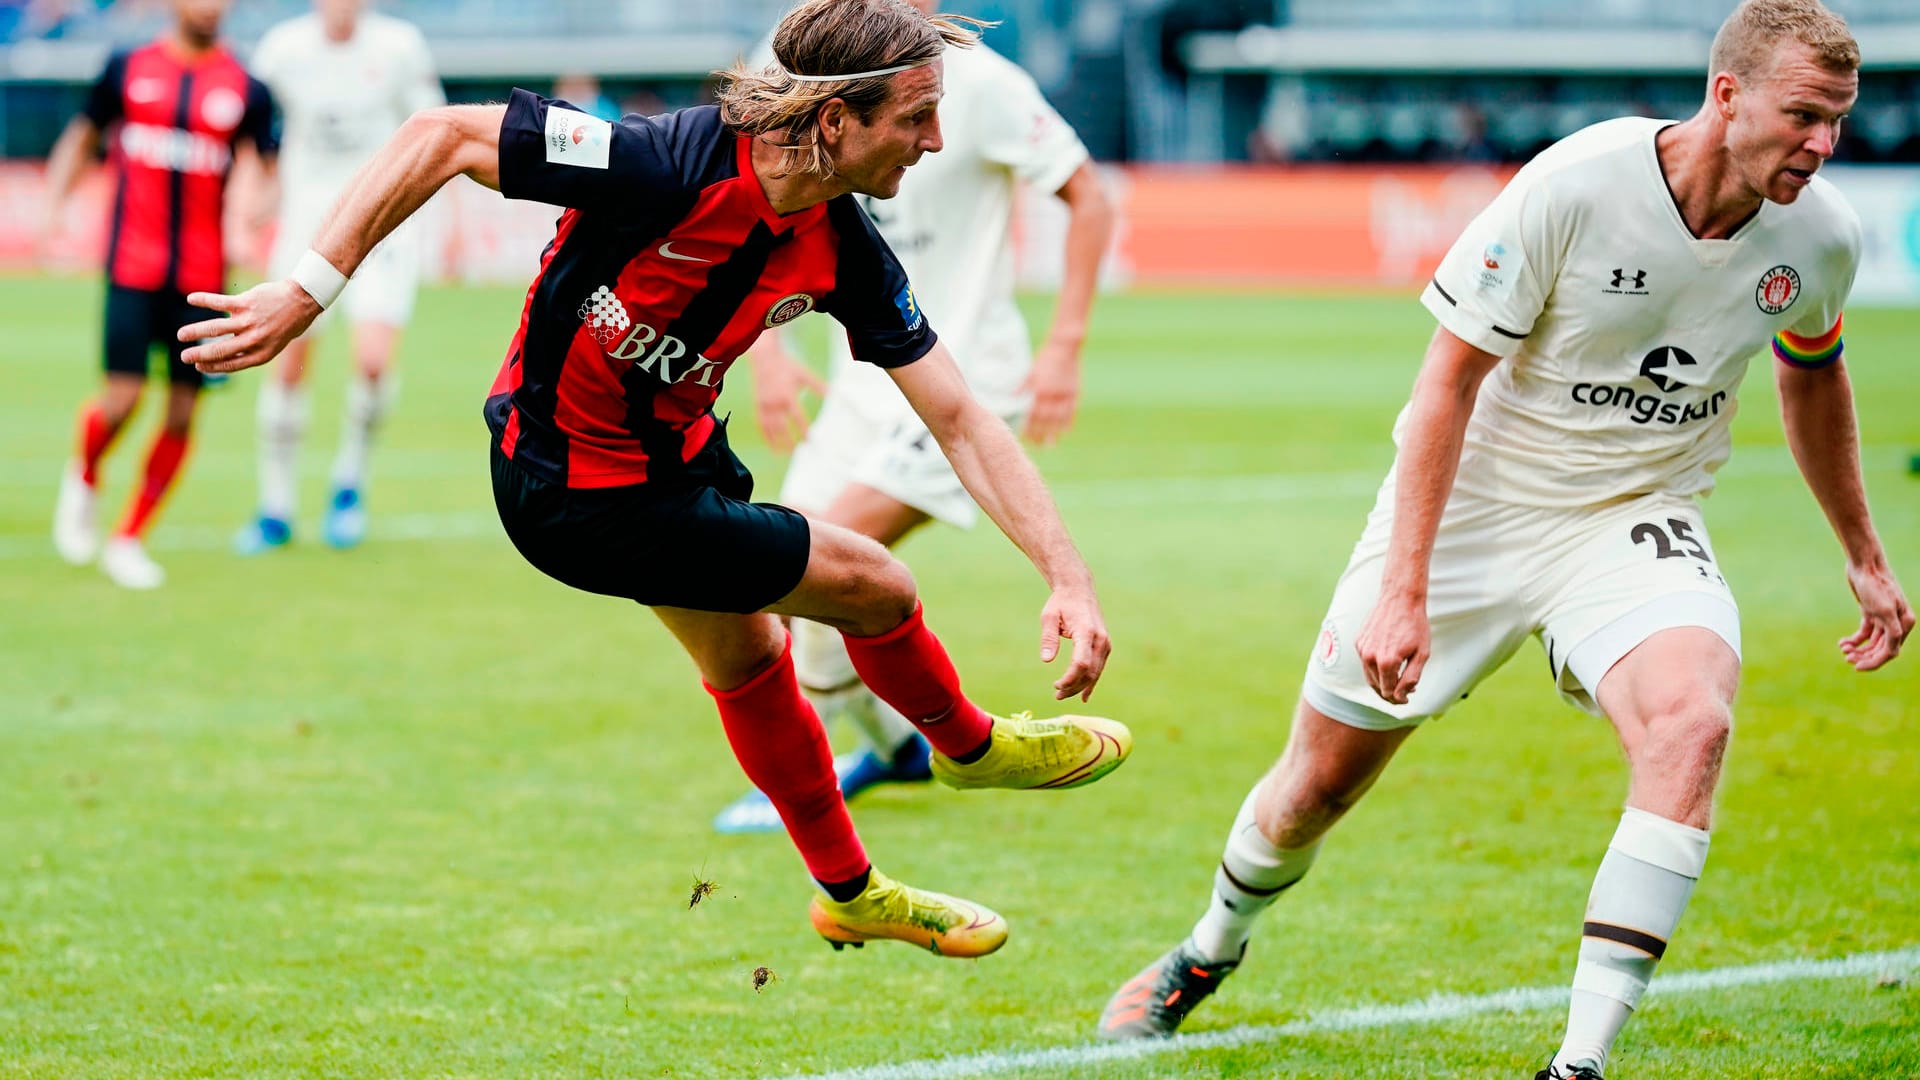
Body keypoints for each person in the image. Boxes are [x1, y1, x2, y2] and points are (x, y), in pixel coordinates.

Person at [176, 0, 1131, 959]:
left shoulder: (844, 245)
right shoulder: (660, 162)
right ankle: (970, 749)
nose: (935, 140)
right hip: (575, 487)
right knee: (875, 585)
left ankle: (850, 892)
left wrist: (1069, 574)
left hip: (669, 467)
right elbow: (440, 135)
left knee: (752, 662)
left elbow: (960, 417)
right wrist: (305, 294)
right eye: (915, 116)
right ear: (835, 121)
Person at [1096, 2, 1912, 1076]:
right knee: (1316, 789)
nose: (1825, 145)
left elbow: (1815, 373)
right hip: (1473, 509)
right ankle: (1208, 949)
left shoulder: (1822, 236)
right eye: (1805, 116)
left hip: (1634, 517)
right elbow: (1446, 384)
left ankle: (1579, 1062)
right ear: (1727, 96)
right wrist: (1404, 588)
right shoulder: (1579, 184)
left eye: (1839, 122)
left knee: (1692, 724)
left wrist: (1861, 548)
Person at [712, 0, 1114, 833]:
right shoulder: (798, 56)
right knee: (800, 610)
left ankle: (855, 775)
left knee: (792, 565)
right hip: (858, 385)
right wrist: (772, 352)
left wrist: (1065, 344)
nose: (928, 138)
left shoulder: (985, 85)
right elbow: (747, 206)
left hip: (960, 380)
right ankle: (893, 747)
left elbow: (1089, 195)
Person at [47, 0, 275, 589]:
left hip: (200, 280)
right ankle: (87, 475)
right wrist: (56, 210)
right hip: (131, 266)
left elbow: (266, 170)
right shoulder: (126, 67)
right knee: (121, 401)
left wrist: (252, 218)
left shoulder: (246, 87)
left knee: (180, 412)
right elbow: (81, 137)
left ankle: (128, 538)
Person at [234, 0, 444, 553]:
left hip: (382, 225)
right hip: (306, 221)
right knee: (286, 363)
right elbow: (252, 131)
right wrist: (253, 201)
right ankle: (274, 507)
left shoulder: (399, 47)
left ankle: (349, 484)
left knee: (373, 364)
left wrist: (433, 224)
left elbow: (435, 134)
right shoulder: (283, 48)